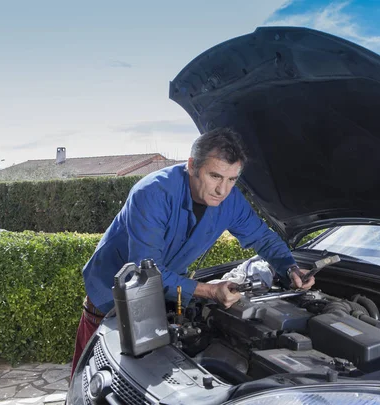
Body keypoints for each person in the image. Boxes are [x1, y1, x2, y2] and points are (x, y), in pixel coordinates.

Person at [70, 127, 315, 375]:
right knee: (95, 376)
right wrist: (210, 291)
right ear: (191, 165)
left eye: (232, 179)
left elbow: (263, 238)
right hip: (111, 298)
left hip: (162, 293)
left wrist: (290, 267)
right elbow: (147, 272)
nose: (223, 190)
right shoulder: (153, 194)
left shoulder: (230, 201)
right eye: (215, 176)